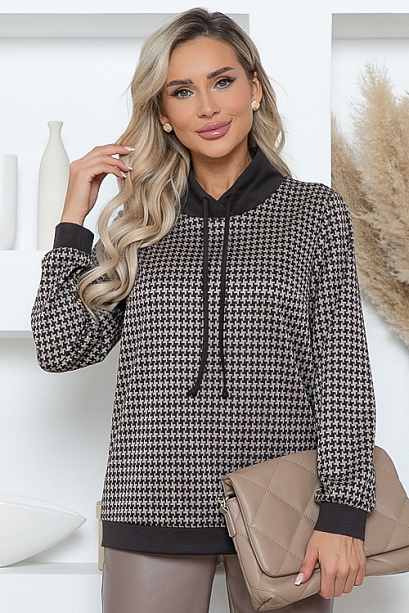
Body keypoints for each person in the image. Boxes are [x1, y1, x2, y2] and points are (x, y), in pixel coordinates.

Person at [31, 8, 376, 613]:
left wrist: (344, 512)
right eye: (183, 91)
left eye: (223, 81)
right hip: (151, 498)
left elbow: (341, 370)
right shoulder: (140, 222)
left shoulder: (314, 213)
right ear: (163, 113)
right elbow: (61, 348)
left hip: (284, 505)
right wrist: (72, 222)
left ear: (254, 88)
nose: (209, 107)